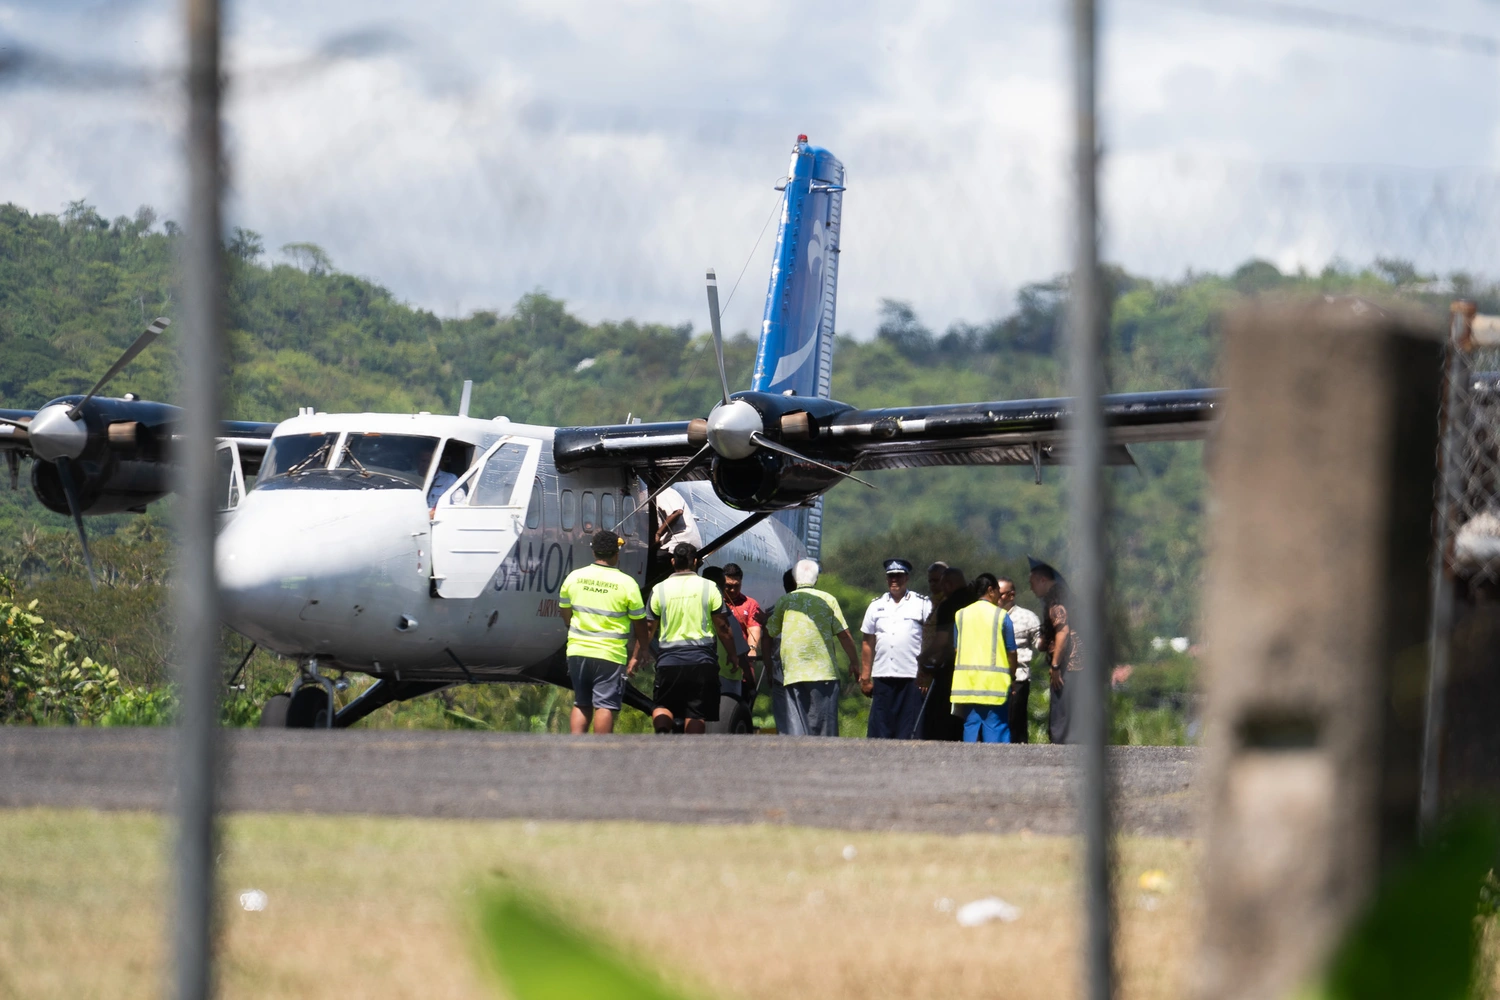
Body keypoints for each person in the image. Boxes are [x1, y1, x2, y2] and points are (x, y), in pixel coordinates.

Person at [557, 529, 650, 734]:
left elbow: (565, 611)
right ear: (616, 553)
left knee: (581, 702)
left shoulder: (575, 577)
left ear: (594, 552)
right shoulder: (627, 584)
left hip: (578, 650)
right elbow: (640, 622)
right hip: (609, 654)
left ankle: (576, 746)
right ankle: (601, 750)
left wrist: (573, 628)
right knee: (605, 704)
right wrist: (643, 648)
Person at [645, 542, 735, 734]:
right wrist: (733, 655)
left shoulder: (659, 589)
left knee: (662, 705)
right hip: (702, 661)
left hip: (668, 660)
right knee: (695, 713)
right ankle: (691, 751)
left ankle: (662, 734)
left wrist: (638, 654)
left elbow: (648, 628)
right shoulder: (710, 587)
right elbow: (723, 627)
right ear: (695, 562)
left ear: (672, 561)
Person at [765, 559, 859, 737]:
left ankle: (800, 761)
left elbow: (769, 632)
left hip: (793, 673)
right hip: (823, 673)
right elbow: (844, 635)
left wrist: (769, 666)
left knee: (797, 730)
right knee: (824, 730)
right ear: (815, 579)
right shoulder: (828, 600)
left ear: (795, 578)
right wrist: (854, 662)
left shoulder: (785, 601)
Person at [859, 559, 932, 739]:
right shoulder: (876, 605)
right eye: (891, 576)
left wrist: (927, 673)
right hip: (884, 674)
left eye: (899, 576)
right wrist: (865, 676)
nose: (894, 581)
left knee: (909, 729)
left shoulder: (922, 604)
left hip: (911, 676)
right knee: (881, 728)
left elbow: (930, 640)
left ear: (906, 578)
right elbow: (868, 642)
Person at [951, 572, 1017, 743]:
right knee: (996, 733)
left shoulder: (960, 615)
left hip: (967, 686)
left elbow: (957, 650)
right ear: (991, 590)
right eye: (997, 591)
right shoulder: (1001, 616)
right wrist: (1012, 677)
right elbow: (1011, 652)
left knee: (971, 729)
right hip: (994, 687)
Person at [916, 566, 974, 741]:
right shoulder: (976, 600)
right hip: (977, 666)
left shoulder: (948, 605)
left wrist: (925, 657)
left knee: (940, 712)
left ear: (948, 584)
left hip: (952, 666)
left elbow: (942, 640)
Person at [1028, 556, 1078, 744]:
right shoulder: (1064, 598)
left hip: (1068, 665)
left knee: (1061, 711)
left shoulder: (1056, 602)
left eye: (1032, 583)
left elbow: (1063, 631)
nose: (1031, 588)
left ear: (1043, 580)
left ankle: (1061, 745)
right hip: (1078, 665)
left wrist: (1055, 665)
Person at [997, 576, 1041, 743]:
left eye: (1000, 594)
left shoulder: (1027, 617)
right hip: (995, 676)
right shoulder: (990, 616)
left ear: (1011, 595)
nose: (996, 598)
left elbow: (1039, 643)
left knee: (1015, 721)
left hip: (1019, 677)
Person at [702, 566, 755, 702]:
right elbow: (739, 651)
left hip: (697, 671)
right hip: (726, 676)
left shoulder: (691, 609)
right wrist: (750, 681)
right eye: (724, 586)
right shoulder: (725, 613)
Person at [653, 485, 702, 550]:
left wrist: (658, 533)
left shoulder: (664, 493)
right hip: (684, 542)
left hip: (679, 541)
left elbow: (678, 512)